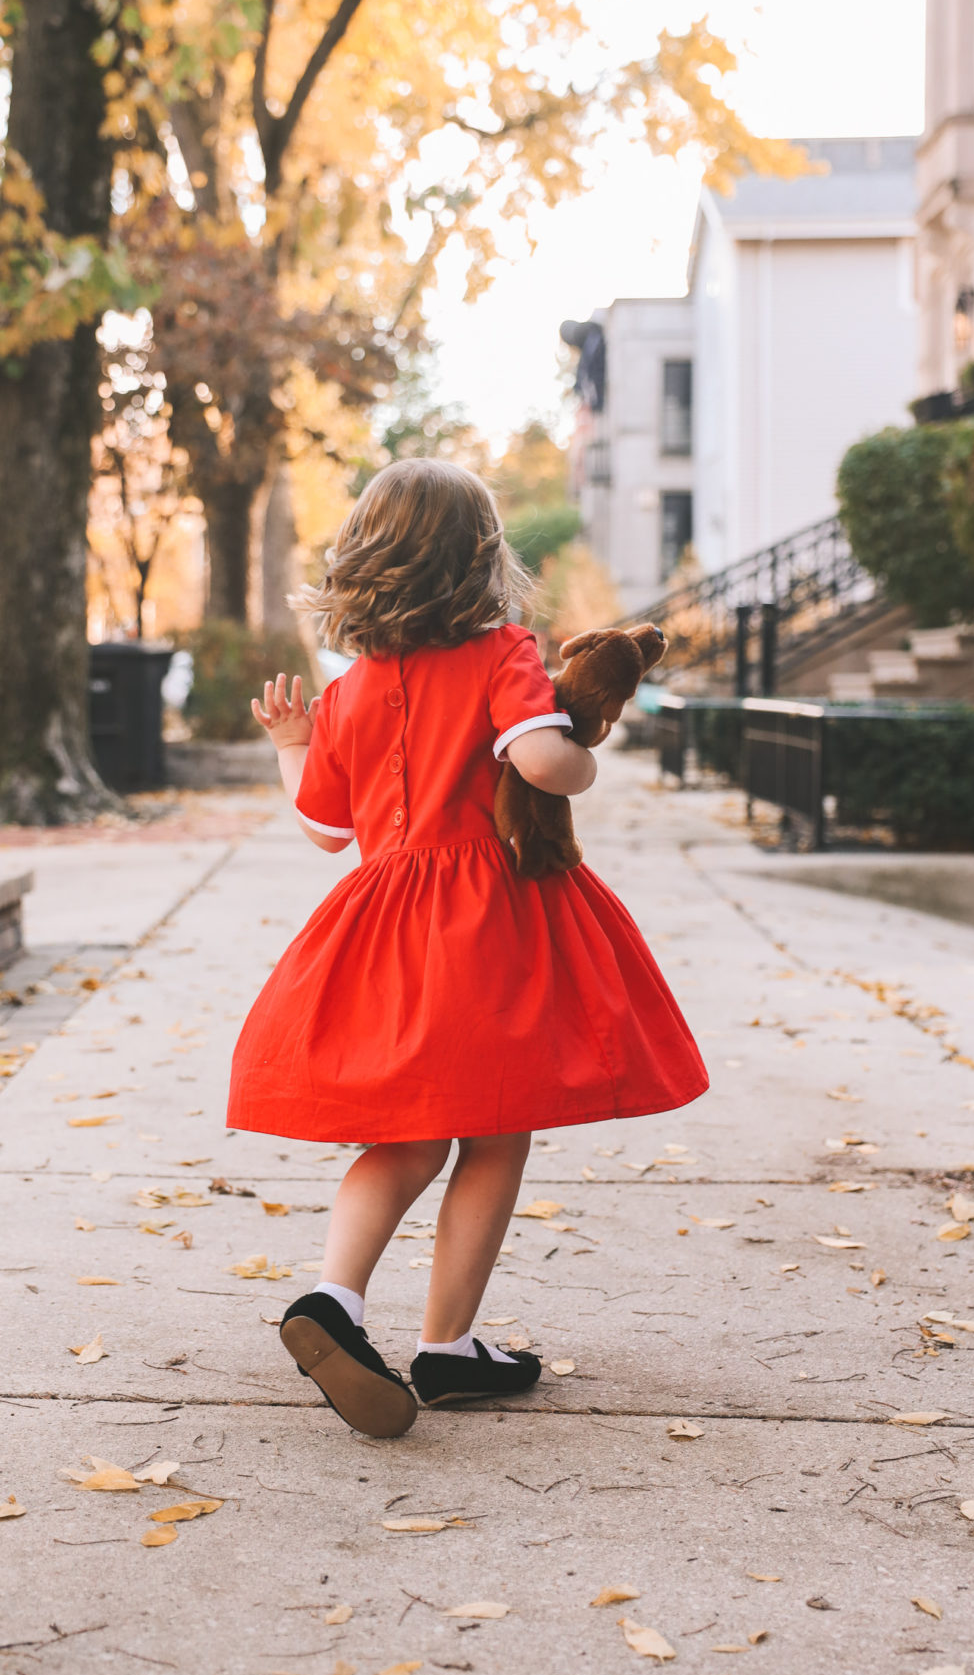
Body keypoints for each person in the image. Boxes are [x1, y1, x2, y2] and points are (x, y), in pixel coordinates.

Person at [228, 458, 707, 1438]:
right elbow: (542, 759)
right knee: (494, 1128)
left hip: (384, 927)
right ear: (483, 559)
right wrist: (582, 752)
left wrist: (289, 741)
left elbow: (325, 829)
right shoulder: (502, 653)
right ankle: (447, 1349)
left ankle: (334, 1299)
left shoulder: (355, 688)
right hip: (487, 923)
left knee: (403, 1136)